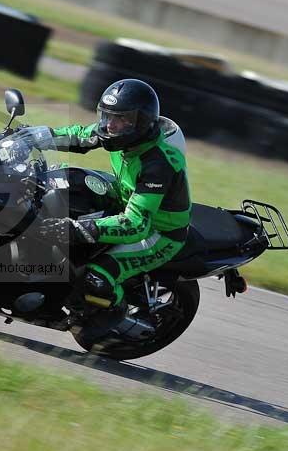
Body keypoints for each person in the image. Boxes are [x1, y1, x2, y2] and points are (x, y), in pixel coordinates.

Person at [37, 79, 191, 311]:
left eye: (121, 119)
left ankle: (115, 317)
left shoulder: (158, 164)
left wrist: (77, 229)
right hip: (126, 198)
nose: (110, 125)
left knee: (94, 280)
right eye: (107, 116)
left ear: (141, 123)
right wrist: (33, 137)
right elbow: (78, 136)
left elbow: (136, 225)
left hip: (158, 233)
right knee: (67, 183)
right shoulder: (120, 135)